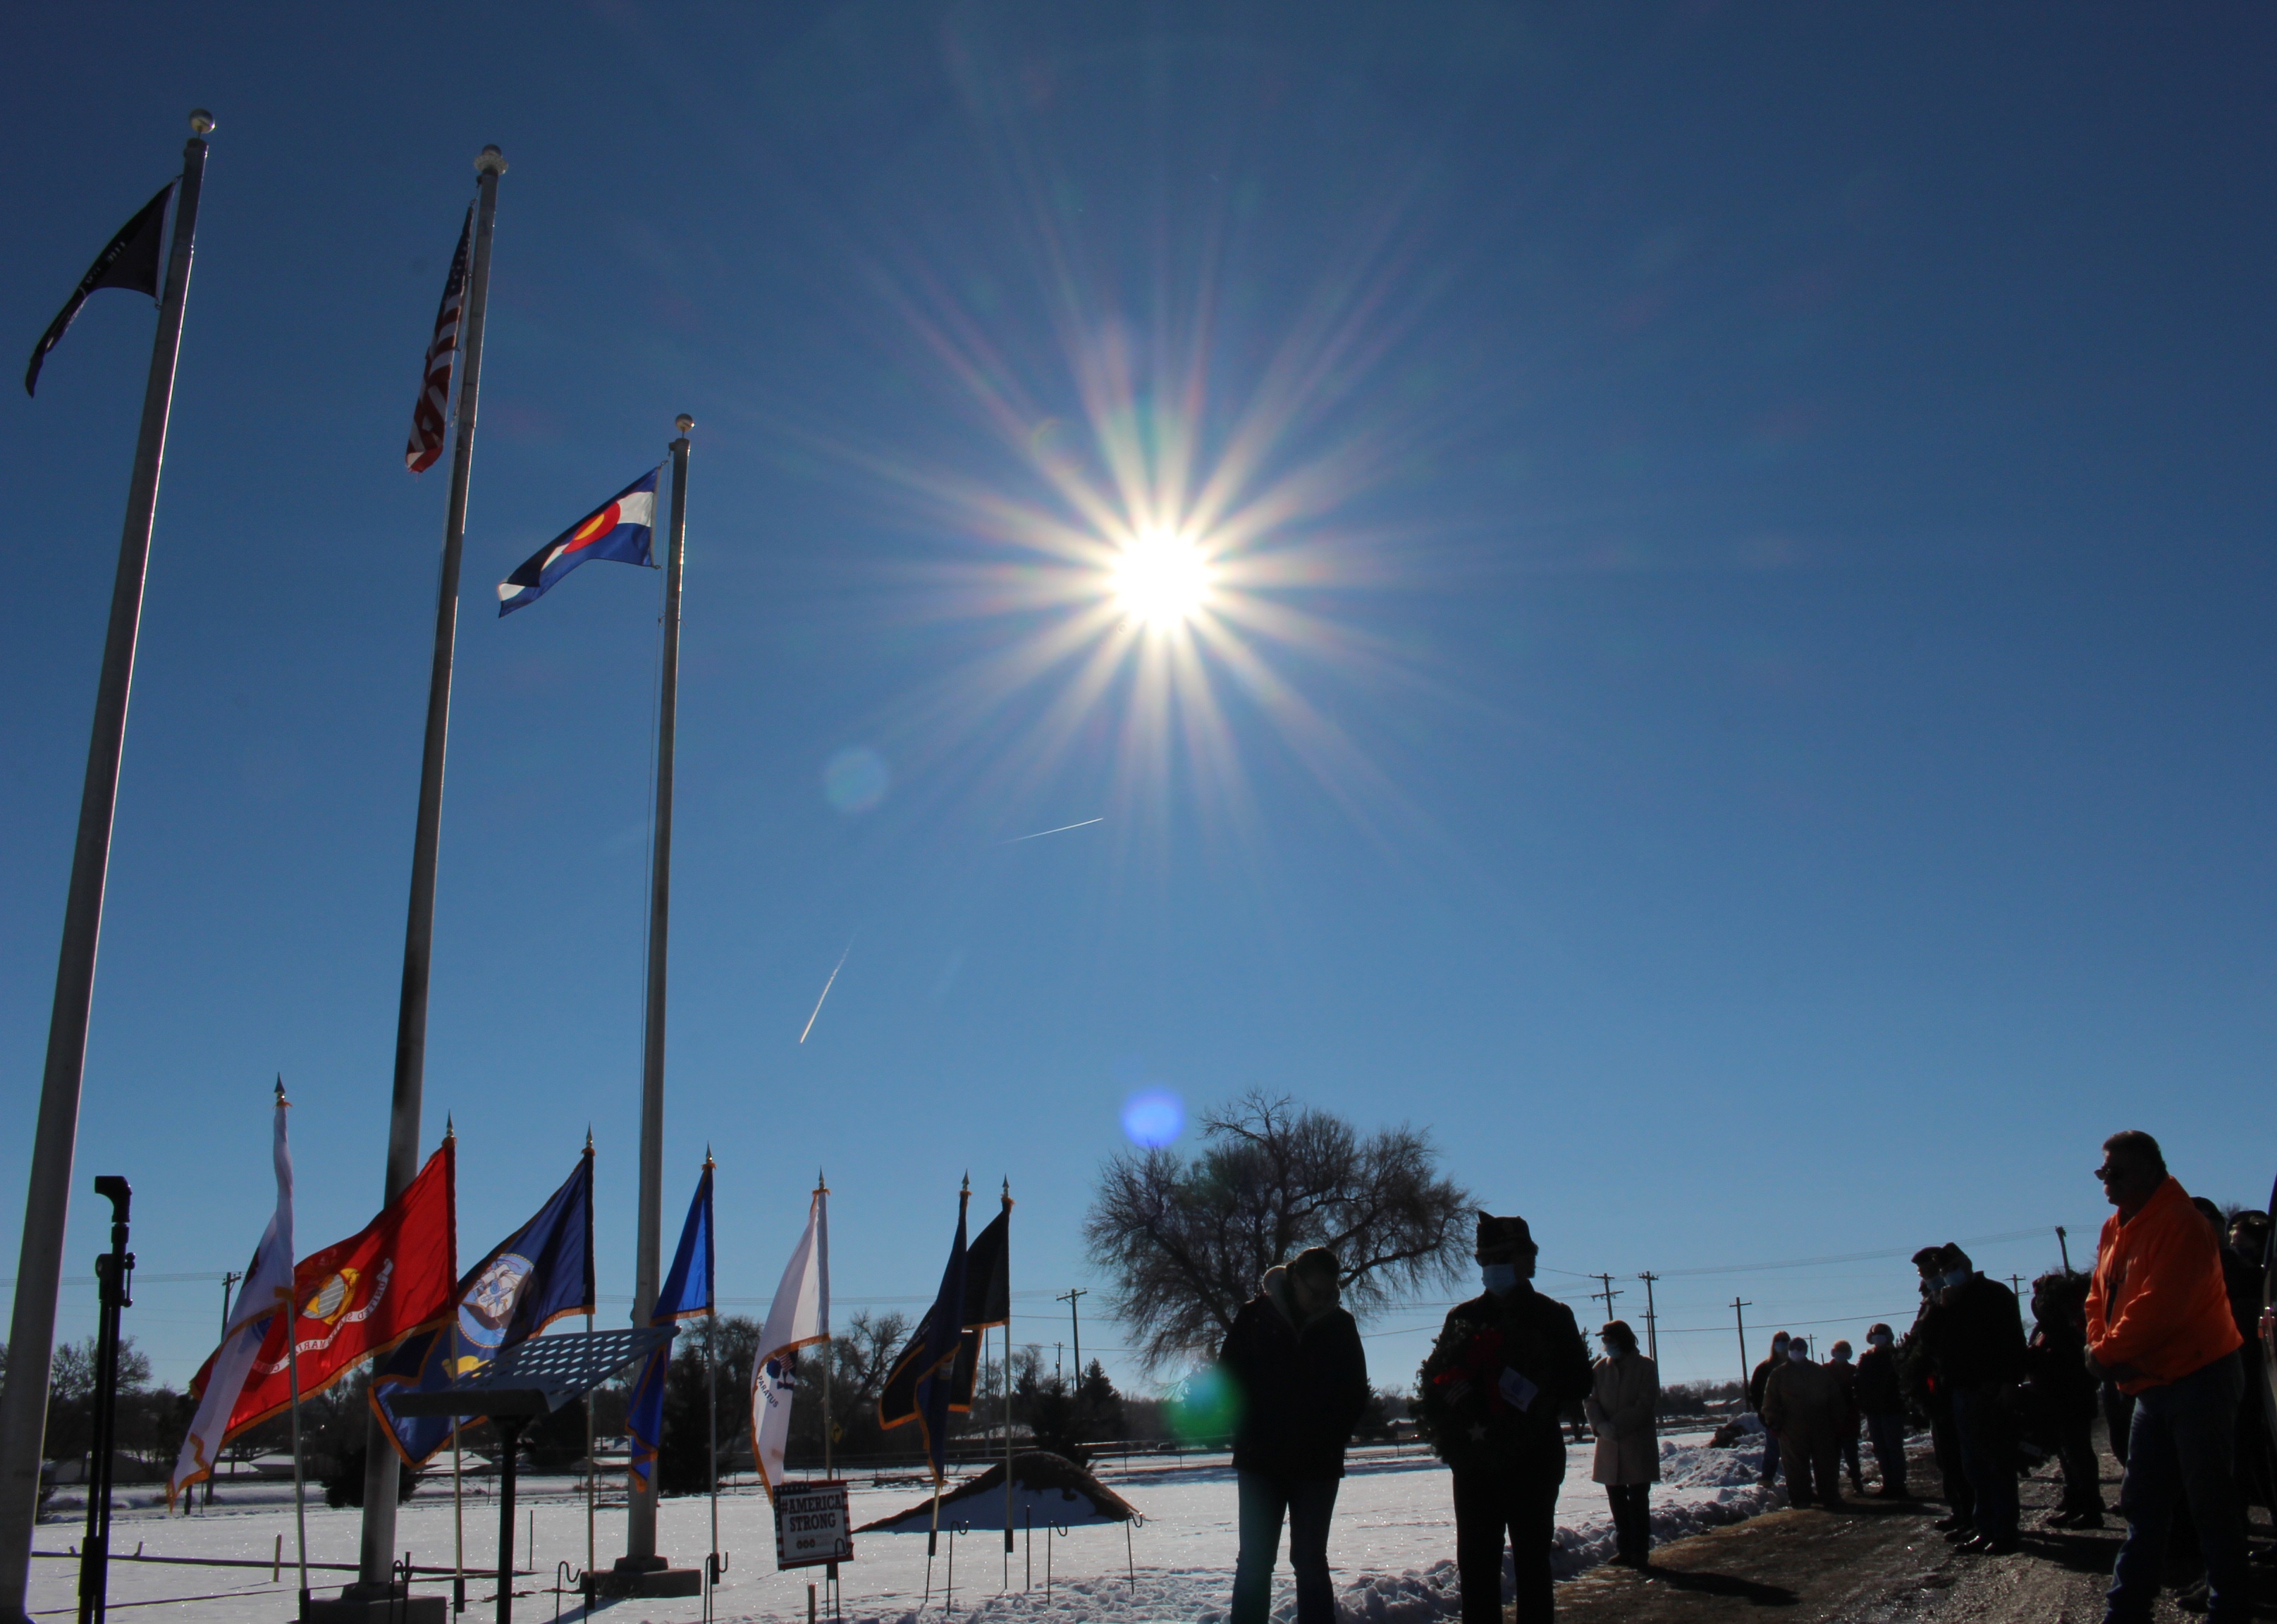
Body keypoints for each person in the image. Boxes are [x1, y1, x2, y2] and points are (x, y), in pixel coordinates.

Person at [2087, 1129, 2249, 1624]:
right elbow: (2099, 1297)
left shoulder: (2182, 1224)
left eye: (2116, 1173)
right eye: (2102, 1174)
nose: (2106, 1182)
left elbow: (2160, 1307)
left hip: (2200, 1375)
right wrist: (2098, 1346)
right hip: (2149, 1384)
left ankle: (2230, 1608)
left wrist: (2107, 1353)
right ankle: (2127, 1611)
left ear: (2150, 1172)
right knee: (2143, 1505)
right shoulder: (2116, 1227)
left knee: (2210, 1504)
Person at [1418, 1214, 1594, 1624]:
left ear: (1526, 1260)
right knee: (1477, 1566)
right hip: (1476, 1462)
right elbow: (1436, 1383)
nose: (1493, 1267)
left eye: (1504, 1257)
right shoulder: (1462, 1318)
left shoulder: (1552, 1316)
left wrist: (1531, 1387)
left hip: (1533, 1459)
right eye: (1486, 1259)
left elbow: (1579, 1382)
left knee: (1533, 1564)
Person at [1222, 1247, 1369, 1624]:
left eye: (1328, 1293)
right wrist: (1248, 1431)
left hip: (1317, 1465)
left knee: (1310, 1561)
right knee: (1254, 1561)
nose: (1320, 1300)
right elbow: (1228, 1382)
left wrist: (1330, 1437)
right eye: (1314, 1291)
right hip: (1260, 1463)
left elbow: (1354, 1393)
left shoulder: (1340, 1326)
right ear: (1294, 1280)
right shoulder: (1254, 1318)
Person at [1917, 1243, 2027, 1554]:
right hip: (1960, 1389)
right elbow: (1928, 1342)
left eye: (1952, 1268)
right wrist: (1939, 1307)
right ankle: (1984, 1526)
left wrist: (2010, 1382)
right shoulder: (1947, 1302)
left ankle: (2005, 1529)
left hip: (1990, 1388)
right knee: (1973, 1465)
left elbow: (2012, 1341)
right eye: (1944, 1271)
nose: (1949, 1275)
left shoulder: (1994, 1294)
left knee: (1996, 1462)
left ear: (1965, 1265)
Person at [2024, 1271, 2104, 1528]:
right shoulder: (2048, 1328)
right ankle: (2076, 1502)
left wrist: (2037, 1360)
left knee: (2078, 1455)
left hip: (2071, 1399)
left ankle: (2091, 1508)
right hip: (2056, 1399)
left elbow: (2064, 1363)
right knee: (2068, 1456)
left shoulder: (2065, 1329)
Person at [1906, 1250, 1975, 1536]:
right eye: (1924, 1275)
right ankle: (1959, 1510)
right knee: (1946, 1455)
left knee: (1965, 1456)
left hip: (1959, 1385)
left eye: (1930, 1273)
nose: (1927, 1279)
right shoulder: (1930, 1302)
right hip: (1937, 1390)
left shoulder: (1959, 1299)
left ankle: (1973, 1515)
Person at [1584, 1320, 1659, 1567]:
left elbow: (1644, 1404)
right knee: (1616, 1501)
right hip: (1608, 1446)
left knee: (1638, 1500)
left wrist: (1616, 1425)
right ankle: (1625, 1549)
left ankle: (1640, 1551)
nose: (1606, 1345)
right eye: (1605, 1341)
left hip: (1636, 1443)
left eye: (1610, 1341)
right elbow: (1591, 1401)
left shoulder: (1645, 1367)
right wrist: (1600, 1426)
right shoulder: (1599, 1369)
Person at [1760, 1334, 1846, 1508]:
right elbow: (1770, 1402)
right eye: (1793, 1349)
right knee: (1795, 1465)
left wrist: (1838, 1419)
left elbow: (1834, 1397)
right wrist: (1774, 1422)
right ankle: (1800, 1498)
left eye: (1800, 1349)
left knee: (1825, 1463)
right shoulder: (1778, 1374)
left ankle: (1829, 1495)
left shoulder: (1819, 1372)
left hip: (1820, 1426)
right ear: (1789, 1351)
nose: (1796, 1352)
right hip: (1792, 1428)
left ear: (1806, 1351)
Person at [1854, 1322, 1910, 1497]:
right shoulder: (1867, 1357)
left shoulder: (1896, 1356)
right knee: (1880, 1448)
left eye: (1881, 1333)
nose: (1878, 1337)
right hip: (1873, 1409)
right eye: (1875, 1334)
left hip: (1891, 1408)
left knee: (1893, 1447)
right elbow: (1859, 1382)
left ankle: (1898, 1485)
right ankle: (1888, 1483)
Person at [1748, 1331, 1791, 1487]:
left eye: (1785, 1340)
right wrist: (1764, 1414)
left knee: (1795, 1452)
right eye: (1778, 1340)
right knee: (1773, 1448)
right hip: (1773, 1417)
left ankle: (1800, 1482)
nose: (1781, 1343)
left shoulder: (1794, 1367)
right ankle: (1767, 1478)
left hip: (1794, 1416)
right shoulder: (1764, 1369)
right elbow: (1756, 1394)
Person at [1826, 1339, 1866, 1496]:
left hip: (1849, 1420)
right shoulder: (1826, 1370)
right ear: (1833, 1352)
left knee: (1852, 1456)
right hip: (1832, 1422)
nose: (1841, 1354)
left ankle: (1857, 1483)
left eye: (1844, 1351)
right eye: (1839, 1350)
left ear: (1849, 1354)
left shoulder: (1854, 1370)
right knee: (1833, 1457)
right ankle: (1832, 1487)